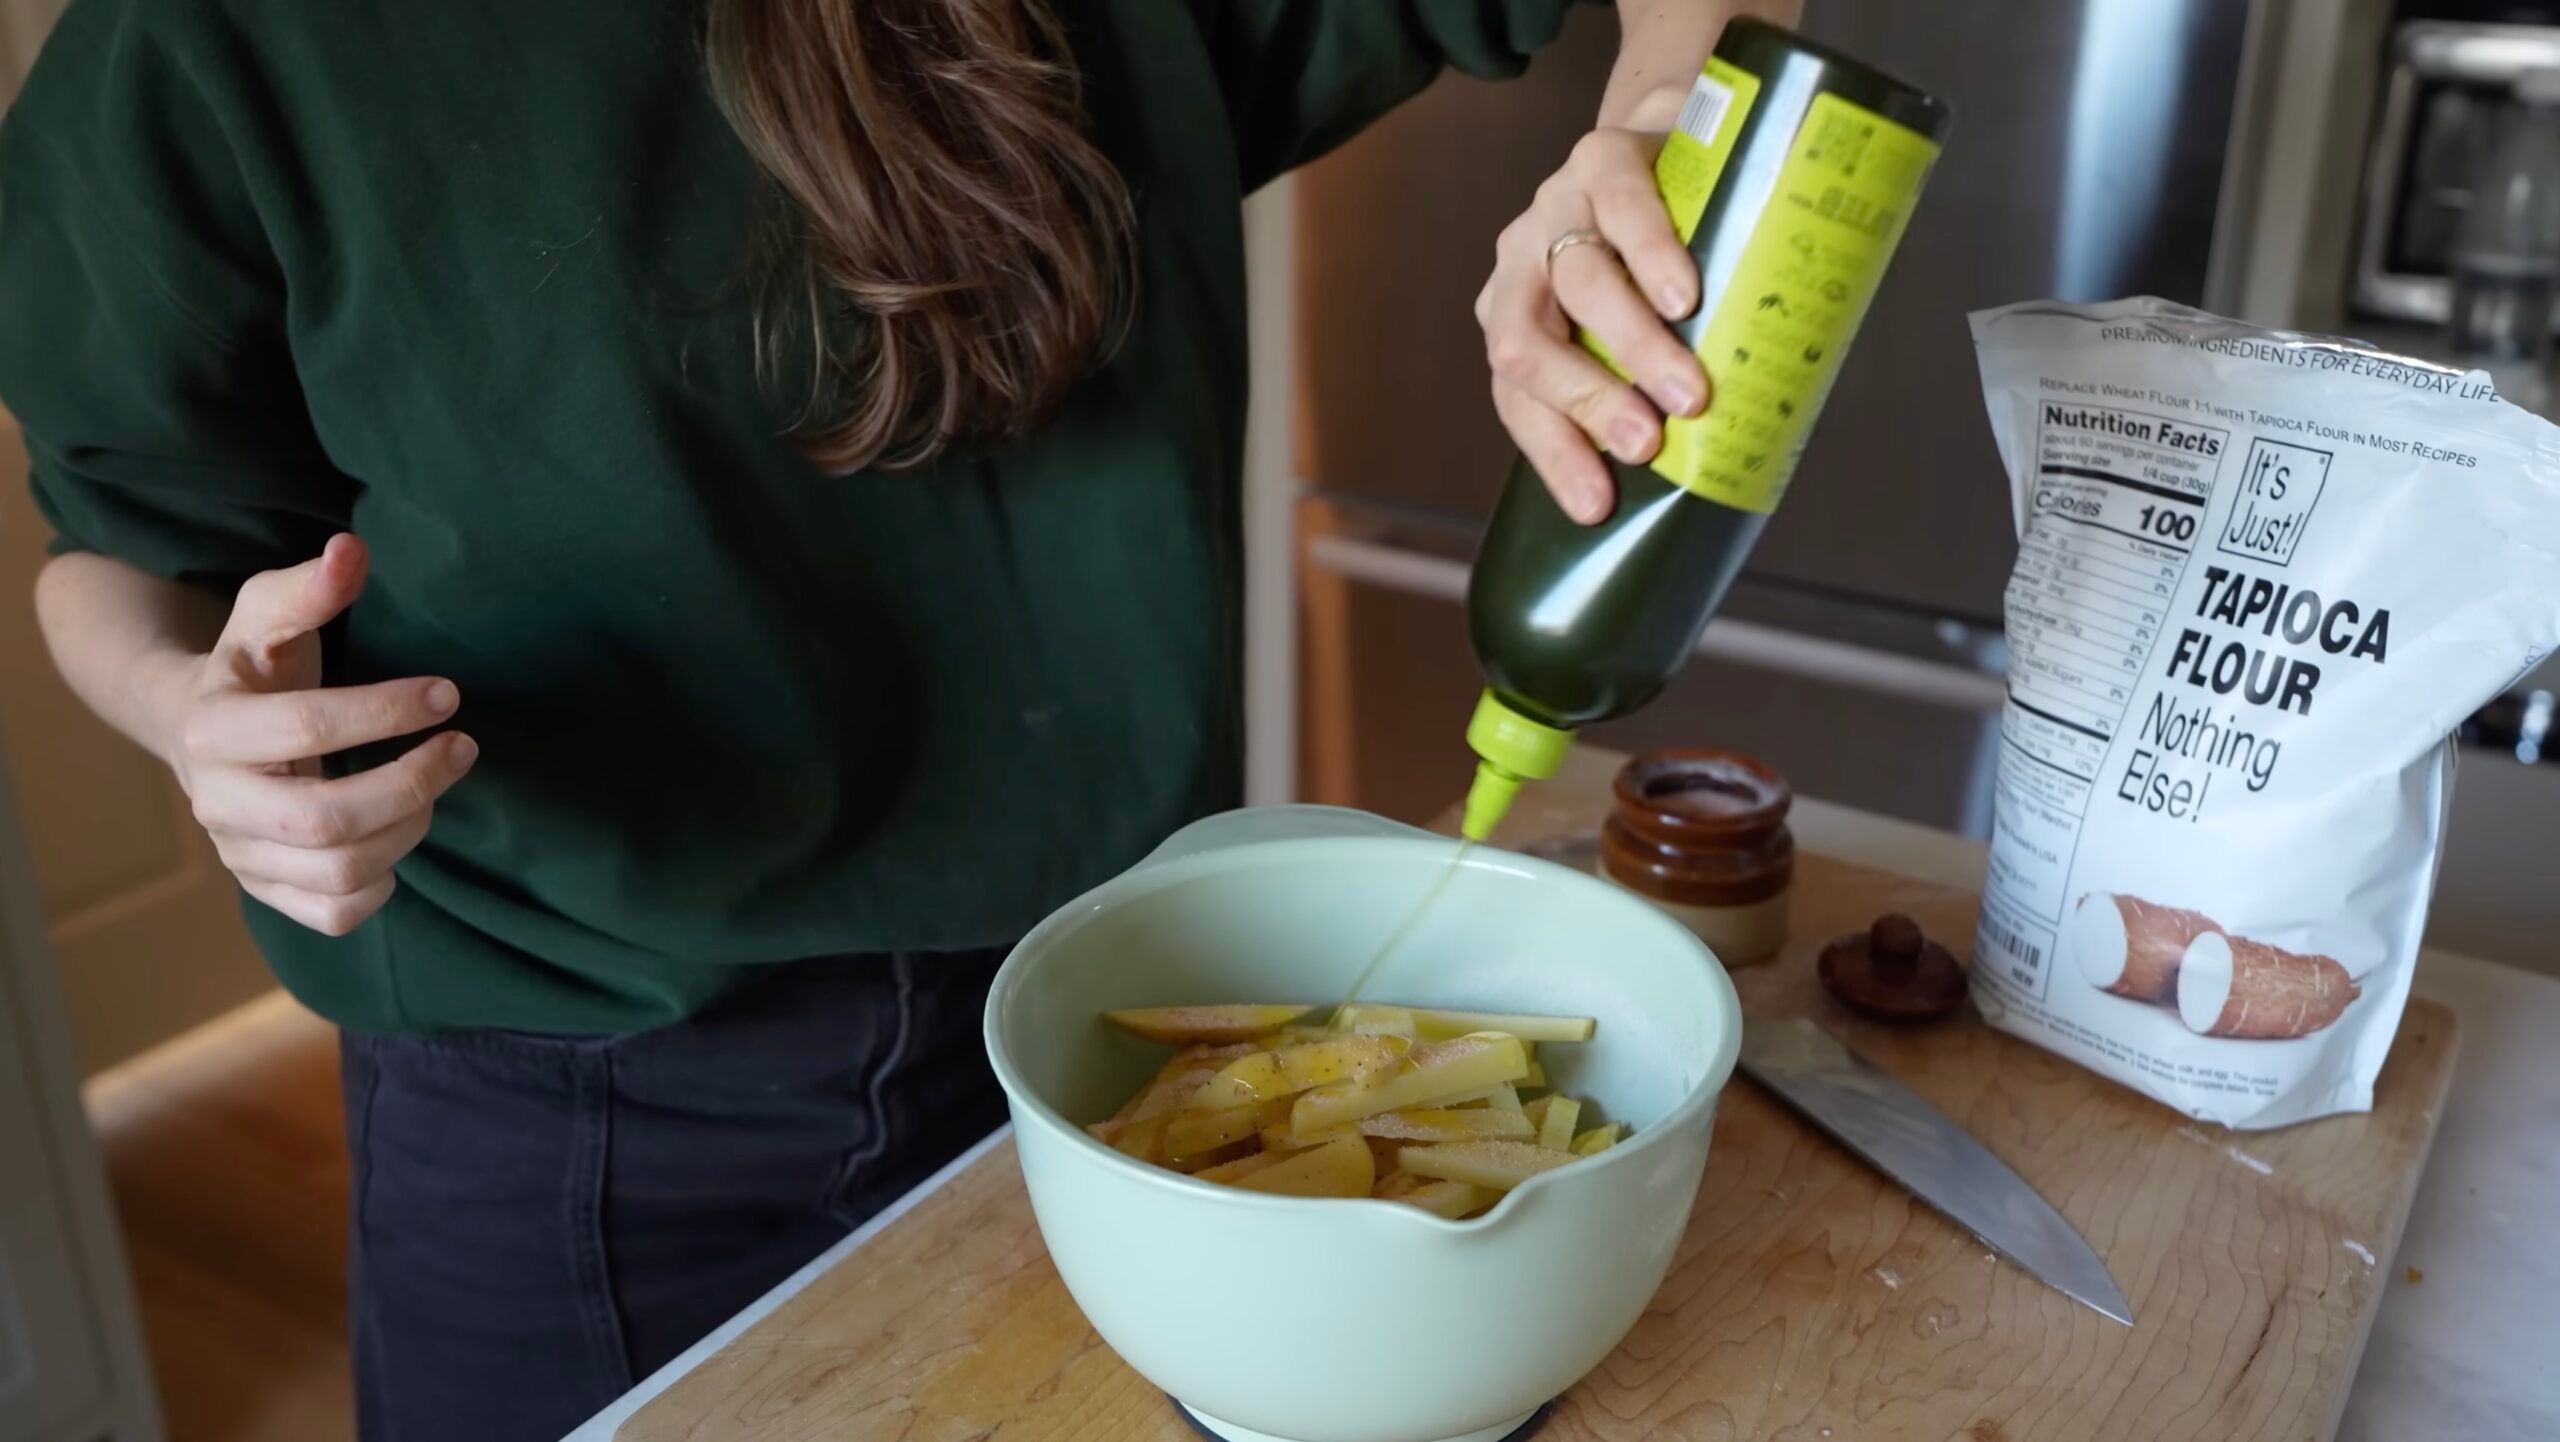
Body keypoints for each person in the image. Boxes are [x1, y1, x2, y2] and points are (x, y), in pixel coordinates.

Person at [0, 0, 1788, 1436]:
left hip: (1107, 1034)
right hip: (568, 1092)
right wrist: (195, 719)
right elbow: (122, 550)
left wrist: (1667, 121)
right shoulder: (210, 46)